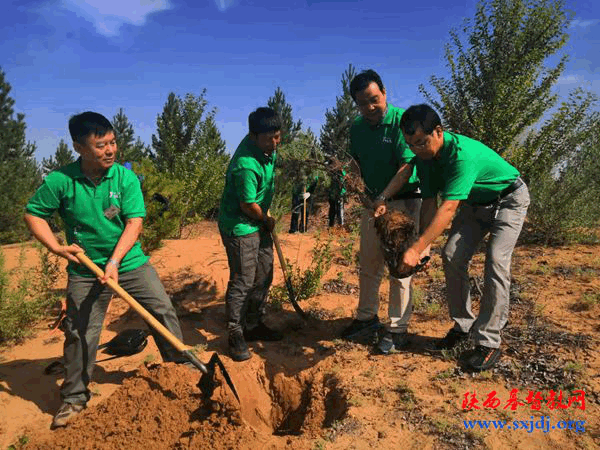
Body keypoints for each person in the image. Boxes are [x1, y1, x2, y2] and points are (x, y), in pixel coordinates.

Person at [24, 112, 186, 429]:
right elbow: (34, 214)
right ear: (79, 147)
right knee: (80, 331)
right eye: (101, 145)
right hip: (85, 268)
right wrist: (55, 247)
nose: (110, 150)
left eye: (112, 142)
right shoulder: (61, 181)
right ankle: (73, 399)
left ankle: (182, 370)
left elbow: (134, 222)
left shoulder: (125, 179)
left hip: (128, 262)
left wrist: (113, 262)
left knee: (161, 309)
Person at [398, 104, 530, 371]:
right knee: (451, 256)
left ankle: (488, 343)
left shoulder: (461, 156)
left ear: (439, 131)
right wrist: (426, 244)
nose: (417, 149)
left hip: (509, 200)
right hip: (475, 205)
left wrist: (416, 248)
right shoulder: (425, 159)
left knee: (496, 261)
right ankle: (463, 326)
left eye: (422, 142)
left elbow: (448, 208)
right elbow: (429, 203)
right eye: (411, 145)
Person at [340, 70, 422, 355]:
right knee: (369, 262)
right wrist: (360, 192)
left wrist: (384, 198)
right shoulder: (357, 129)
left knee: (400, 266)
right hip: (372, 204)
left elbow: (407, 166)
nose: (370, 108)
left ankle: (397, 329)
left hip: (403, 202)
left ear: (385, 92)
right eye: (363, 103)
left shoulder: (402, 122)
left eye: (374, 100)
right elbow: (354, 166)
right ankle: (366, 318)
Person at [218, 107, 284, 362]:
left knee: (264, 273)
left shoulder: (268, 150)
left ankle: (254, 323)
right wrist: (266, 219)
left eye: (278, 135)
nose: (276, 142)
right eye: (270, 138)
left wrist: (264, 219)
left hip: (258, 220)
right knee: (243, 279)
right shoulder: (245, 165)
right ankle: (235, 330)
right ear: (254, 136)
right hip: (241, 225)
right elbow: (247, 205)